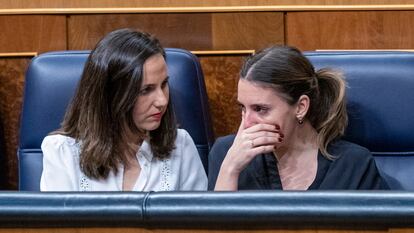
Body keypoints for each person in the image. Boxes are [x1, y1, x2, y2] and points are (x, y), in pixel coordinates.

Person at [40, 28, 207, 191]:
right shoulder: (62, 152)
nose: (162, 101)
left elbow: (199, 217)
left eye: (164, 85)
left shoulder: (181, 144)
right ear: (112, 96)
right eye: (146, 90)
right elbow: (58, 219)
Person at [208, 45, 389, 191]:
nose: (247, 123)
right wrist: (230, 169)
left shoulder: (352, 164)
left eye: (260, 109)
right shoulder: (226, 153)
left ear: (301, 107)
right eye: (243, 108)